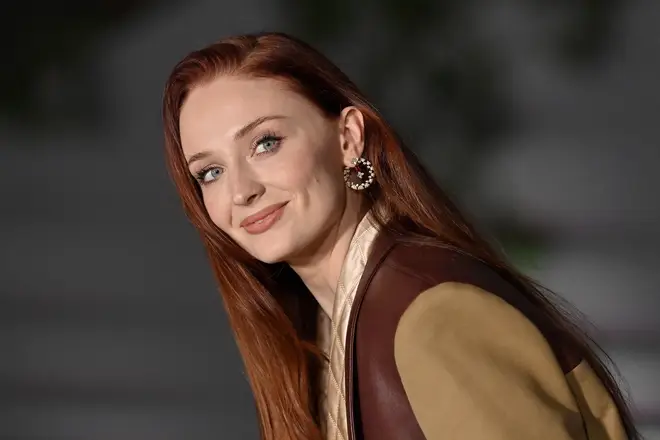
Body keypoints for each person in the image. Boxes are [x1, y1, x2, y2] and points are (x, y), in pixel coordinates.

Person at [162, 32, 639, 440]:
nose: (241, 191)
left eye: (266, 143)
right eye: (210, 172)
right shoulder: (332, 327)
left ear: (348, 138)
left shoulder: (432, 315)